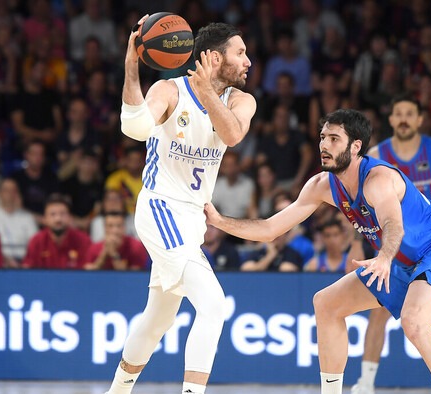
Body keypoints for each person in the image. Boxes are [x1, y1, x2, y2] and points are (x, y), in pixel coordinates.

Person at [205, 108, 431, 394]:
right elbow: (269, 229)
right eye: (323, 137)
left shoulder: (378, 179)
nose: (324, 145)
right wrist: (219, 220)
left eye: (334, 139)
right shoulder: (321, 186)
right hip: (400, 258)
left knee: (414, 321)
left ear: (356, 146)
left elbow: (393, 225)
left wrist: (384, 258)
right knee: (326, 304)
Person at [104, 18, 255, 394]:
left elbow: (233, 135)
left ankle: (117, 391)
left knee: (158, 319)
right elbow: (135, 128)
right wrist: (131, 64)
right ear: (216, 58)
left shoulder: (240, 100)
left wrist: (207, 94)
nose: (248, 60)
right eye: (240, 53)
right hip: (160, 209)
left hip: (191, 219)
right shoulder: (168, 89)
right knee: (214, 305)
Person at [351, 96, 431, 394]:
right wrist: (355, 243)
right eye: (398, 113)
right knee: (378, 309)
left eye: (409, 114)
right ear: (391, 118)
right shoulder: (376, 154)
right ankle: (366, 384)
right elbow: (358, 205)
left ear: (420, 119)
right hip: (393, 243)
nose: (403, 119)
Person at [22, 193, 91, 270]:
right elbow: (26, 271)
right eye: (53, 214)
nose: (58, 219)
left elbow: (90, 270)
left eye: (62, 214)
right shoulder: (36, 241)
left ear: (70, 218)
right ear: (45, 220)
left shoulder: (83, 240)